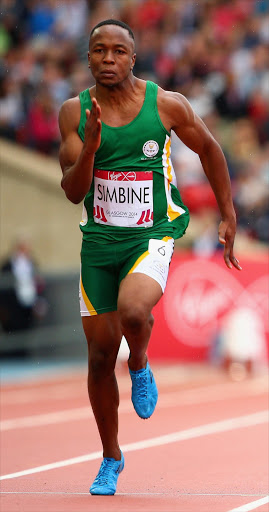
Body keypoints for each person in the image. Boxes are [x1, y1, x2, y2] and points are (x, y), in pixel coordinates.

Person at [58, 19, 242, 496]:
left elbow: (210, 149)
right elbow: (73, 192)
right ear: (90, 57)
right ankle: (111, 458)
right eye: (99, 51)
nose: (109, 59)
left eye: (119, 51)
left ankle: (139, 361)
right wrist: (91, 150)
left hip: (152, 234)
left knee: (135, 312)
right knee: (99, 359)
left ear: (133, 58)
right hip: (99, 243)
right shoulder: (72, 113)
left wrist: (227, 213)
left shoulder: (165, 105)